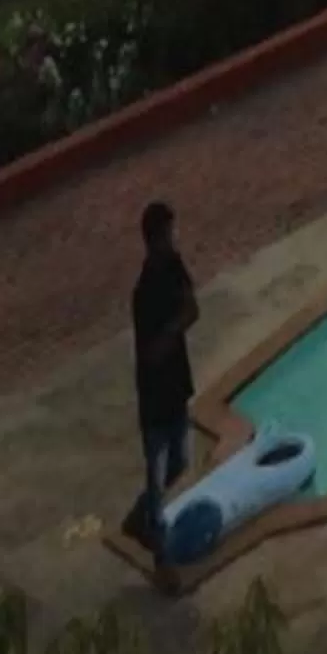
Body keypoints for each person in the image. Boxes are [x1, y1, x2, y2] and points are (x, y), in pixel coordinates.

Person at [131, 199, 198, 586]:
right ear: (155, 239)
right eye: (170, 233)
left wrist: (172, 330)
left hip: (176, 384)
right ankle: (162, 560)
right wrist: (175, 328)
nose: (175, 238)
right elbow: (150, 354)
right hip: (155, 399)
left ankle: (141, 516)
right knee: (158, 475)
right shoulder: (143, 294)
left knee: (180, 462)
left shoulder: (174, 266)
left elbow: (193, 310)